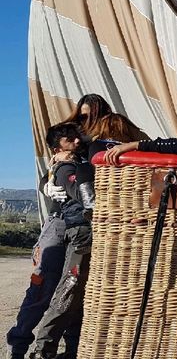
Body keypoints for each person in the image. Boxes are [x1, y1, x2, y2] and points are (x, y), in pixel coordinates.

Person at [5, 96, 112, 359]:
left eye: (90, 116)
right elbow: (58, 178)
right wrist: (48, 182)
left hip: (80, 223)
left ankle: (70, 348)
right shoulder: (70, 142)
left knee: (75, 290)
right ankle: (21, 345)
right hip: (61, 222)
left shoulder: (102, 139)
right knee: (44, 287)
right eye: (82, 116)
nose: (83, 123)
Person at [28, 123, 95, 359]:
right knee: (69, 288)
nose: (77, 141)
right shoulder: (67, 168)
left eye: (77, 137)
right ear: (57, 147)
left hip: (79, 231)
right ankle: (42, 350)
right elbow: (87, 200)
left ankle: (70, 349)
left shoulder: (68, 164)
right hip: (81, 232)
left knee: (78, 293)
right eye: (70, 139)